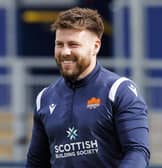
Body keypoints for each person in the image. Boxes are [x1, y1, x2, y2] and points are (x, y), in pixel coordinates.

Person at [26, 7, 150, 168]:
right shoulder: (44, 98)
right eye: (59, 44)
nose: (65, 52)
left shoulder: (118, 90)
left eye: (73, 44)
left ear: (96, 46)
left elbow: (137, 152)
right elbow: (36, 162)